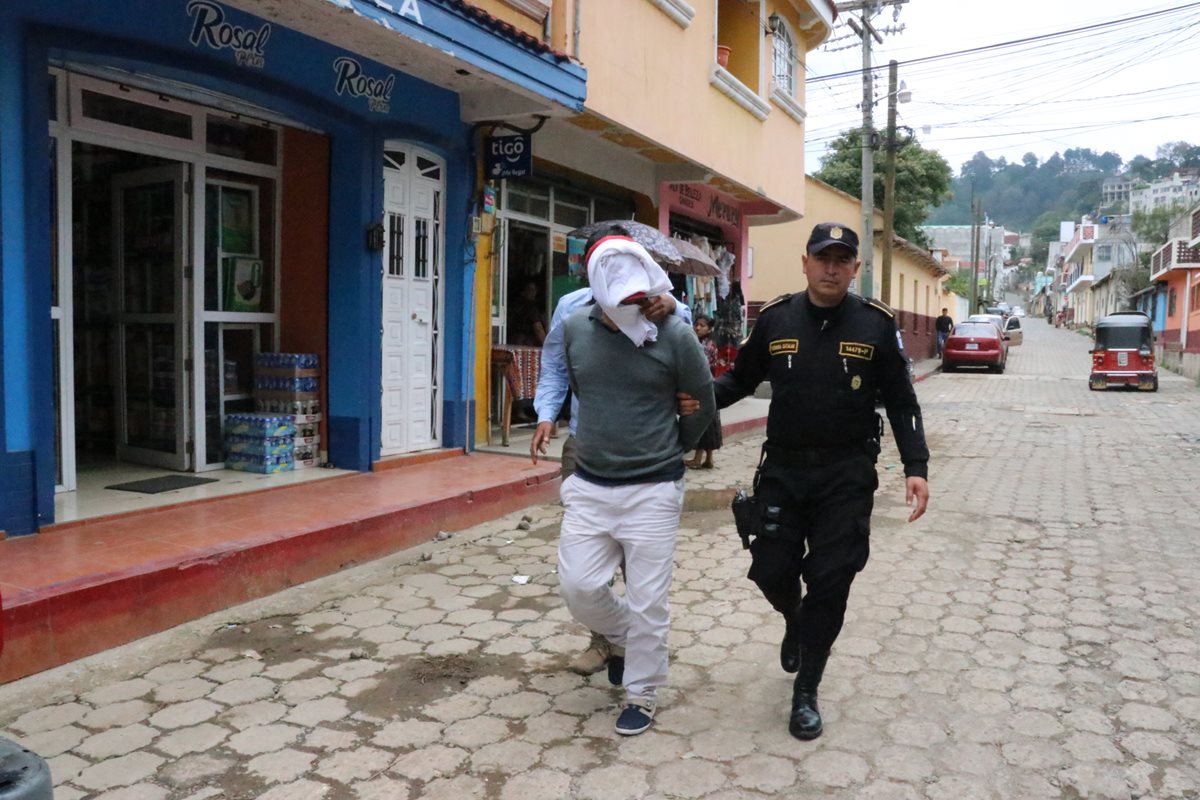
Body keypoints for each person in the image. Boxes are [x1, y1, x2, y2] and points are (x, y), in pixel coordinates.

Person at [713, 222, 929, 741]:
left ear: (855, 268)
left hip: (845, 476)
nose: (831, 267)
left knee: (832, 580)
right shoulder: (776, 318)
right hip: (783, 472)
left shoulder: (875, 325)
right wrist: (692, 399)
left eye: (842, 259)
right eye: (822, 257)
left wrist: (915, 466)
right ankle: (795, 619)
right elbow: (739, 380)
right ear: (805, 262)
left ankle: (806, 689)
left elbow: (901, 401)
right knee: (771, 568)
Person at [546, 233, 714, 736]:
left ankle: (640, 691)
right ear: (596, 288)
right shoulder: (576, 328)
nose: (632, 305)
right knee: (577, 586)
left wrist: (673, 442)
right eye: (621, 297)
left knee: (649, 599)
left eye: (638, 295)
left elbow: (702, 400)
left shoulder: (675, 333)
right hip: (591, 483)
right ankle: (624, 637)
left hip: (654, 487)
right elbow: (576, 383)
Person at [685, 315, 722, 469]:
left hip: (702, 387)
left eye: (702, 325)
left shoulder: (704, 346)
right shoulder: (710, 343)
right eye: (696, 324)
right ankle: (709, 459)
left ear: (709, 328)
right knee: (712, 422)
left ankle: (698, 459)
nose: (698, 328)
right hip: (712, 386)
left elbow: (699, 367)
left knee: (702, 421)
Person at [508, 279, 548, 346]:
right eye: (530, 290)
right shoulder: (531, 307)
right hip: (525, 343)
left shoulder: (516, 305)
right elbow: (538, 329)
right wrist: (547, 346)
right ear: (523, 292)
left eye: (535, 290)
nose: (534, 292)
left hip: (513, 341)